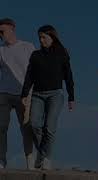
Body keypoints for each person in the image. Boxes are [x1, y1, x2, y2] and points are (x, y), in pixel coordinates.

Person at [21, 25, 75, 170]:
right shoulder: (35, 55)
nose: (41, 40)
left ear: (52, 37)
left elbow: (68, 77)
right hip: (37, 95)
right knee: (33, 124)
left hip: (55, 95)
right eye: (40, 37)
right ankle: (43, 154)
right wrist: (25, 94)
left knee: (49, 128)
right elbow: (29, 76)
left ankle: (46, 159)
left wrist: (71, 97)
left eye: (44, 37)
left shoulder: (62, 54)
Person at [0, 18, 35, 169]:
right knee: (1, 127)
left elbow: (35, 71)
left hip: (24, 94)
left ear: (12, 29)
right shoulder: (0, 50)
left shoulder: (27, 47)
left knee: (26, 128)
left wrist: (32, 94)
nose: (1, 35)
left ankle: (30, 162)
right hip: (4, 94)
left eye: (3, 31)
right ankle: (1, 161)